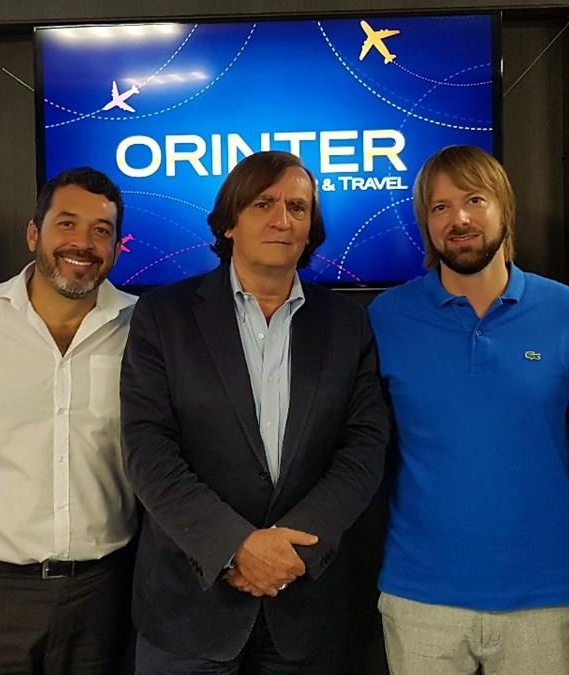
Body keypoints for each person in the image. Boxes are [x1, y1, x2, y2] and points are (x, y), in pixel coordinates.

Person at [120, 150, 388, 673]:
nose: (282, 220)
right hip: (189, 609)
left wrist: (290, 552)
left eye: (297, 207)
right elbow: (147, 450)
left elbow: (363, 448)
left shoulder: (347, 323)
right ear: (229, 223)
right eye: (263, 203)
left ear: (310, 230)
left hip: (306, 606)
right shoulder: (163, 316)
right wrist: (234, 546)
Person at [367, 145, 569, 674]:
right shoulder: (386, 318)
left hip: (542, 594)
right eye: (440, 207)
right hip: (419, 594)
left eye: (474, 200)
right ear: (426, 223)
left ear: (504, 209)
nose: (459, 219)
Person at [0, 167, 136, 673]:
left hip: (103, 593)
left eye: (101, 231)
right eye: (67, 224)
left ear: (116, 247)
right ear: (34, 233)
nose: (83, 243)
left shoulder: (141, 327)